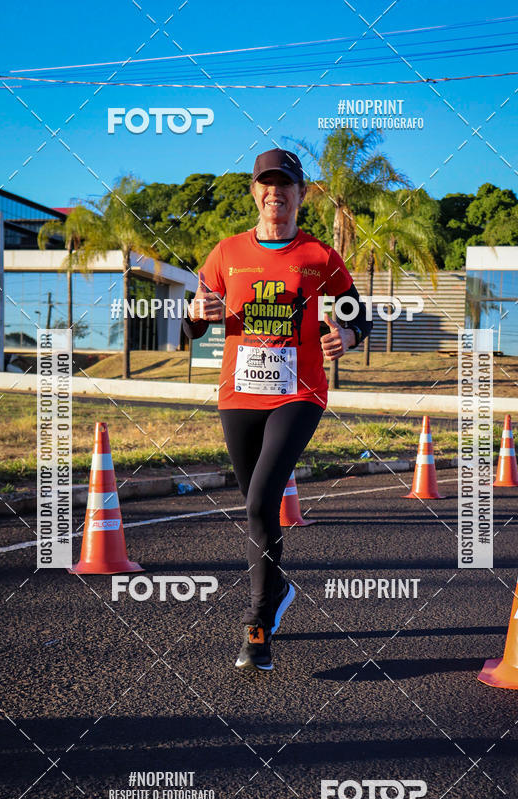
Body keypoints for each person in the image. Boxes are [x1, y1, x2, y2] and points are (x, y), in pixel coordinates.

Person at [183, 149, 370, 673]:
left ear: (300, 194)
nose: (275, 193)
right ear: (254, 192)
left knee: (264, 497)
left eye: (285, 184)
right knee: (258, 510)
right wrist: (197, 313)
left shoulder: (319, 256)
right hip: (238, 396)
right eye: (266, 184)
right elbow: (192, 322)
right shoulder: (226, 254)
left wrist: (349, 334)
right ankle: (280, 586)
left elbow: (358, 314)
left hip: (299, 393)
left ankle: (258, 624)